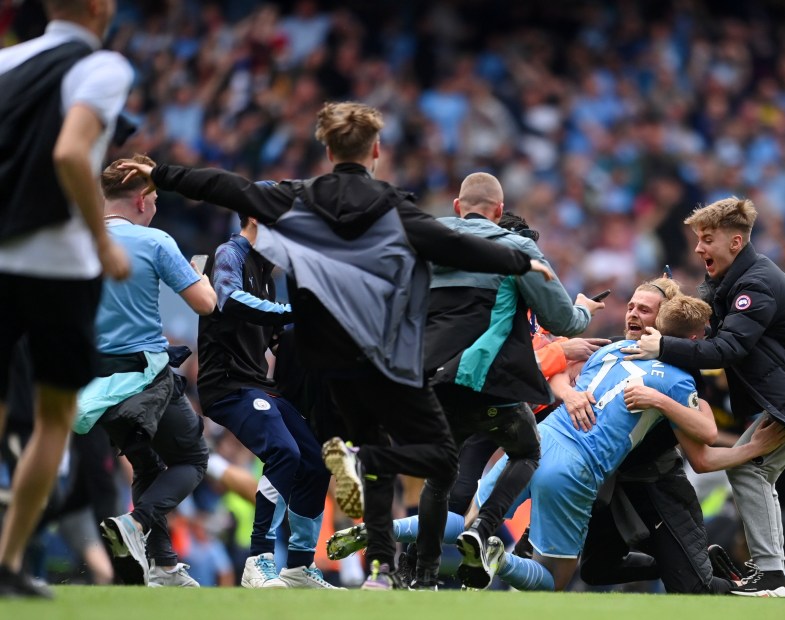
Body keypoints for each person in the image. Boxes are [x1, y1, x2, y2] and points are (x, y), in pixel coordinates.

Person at [116, 100, 554, 591]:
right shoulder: (389, 203)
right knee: (398, 453)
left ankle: (328, 504)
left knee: (320, 445)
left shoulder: (300, 196)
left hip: (307, 347)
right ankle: (381, 566)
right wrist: (518, 262)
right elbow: (445, 242)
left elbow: (228, 187)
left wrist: (164, 172)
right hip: (367, 345)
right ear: (377, 150)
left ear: (326, 147)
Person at [328, 295, 785, 592]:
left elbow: (557, 366)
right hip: (577, 469)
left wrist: (568, 390)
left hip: (536, 442)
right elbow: (705, 440)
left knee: (469, 519)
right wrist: (744, 444)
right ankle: (499, 560)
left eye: (642, 310)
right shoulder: (678, 378)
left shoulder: (609, 350)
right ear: (693, 340)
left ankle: (380, 531)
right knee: (554, 578)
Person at [628, 197, 785, 597]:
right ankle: (769, 573)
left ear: (735, 242)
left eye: (707, 239)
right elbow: (700, 327)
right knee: (750, 469)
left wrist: (662, 346)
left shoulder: (756, 284)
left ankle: (772, 575)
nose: (699, 248)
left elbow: (726, 349)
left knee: (752, 469)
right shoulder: (726, 283)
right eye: (698, 239)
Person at [0, 0, 132, 598]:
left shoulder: (8, 60)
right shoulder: (101, 65)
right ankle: (7, 562)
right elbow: (70, 151)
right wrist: (103, 241)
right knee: (54, 419)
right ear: (101, 8)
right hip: (58, 267)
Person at [416, 173, 602, 588]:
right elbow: (561, 321)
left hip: (432, 380)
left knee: (438, 479)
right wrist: (584, 310)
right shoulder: (516, 248)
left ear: (456, 205)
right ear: (499, 212)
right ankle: (482, 529)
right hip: (490, 382)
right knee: (527, 451)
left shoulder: (424, 241)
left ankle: (421, 576)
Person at [72, 154, 215, 587]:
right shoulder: (155, 242)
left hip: (94, 387)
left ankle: (165, 567)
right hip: (144, 379)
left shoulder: (80, 241)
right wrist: (200, 277)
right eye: (152, 200)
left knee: (149, 468)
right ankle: (136, 524)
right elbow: (204, 304)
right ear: (141, 201)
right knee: (193, 458)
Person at [574, 277, 743, 594]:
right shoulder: (614, 349)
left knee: (693, 589)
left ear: (664, 320)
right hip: (615, 485)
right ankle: (686, 564)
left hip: (657, 486)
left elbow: (704, 436)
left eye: (644, 310)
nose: (633, 315)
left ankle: (754, 597)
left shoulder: (680, 372)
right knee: (596, 570)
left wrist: (657, 400)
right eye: (630, 307)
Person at [197, 214, 337, 590]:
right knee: (284, 452)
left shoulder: (265, 273)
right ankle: (258, 560)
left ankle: (298, 568)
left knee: (316, 462)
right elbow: (229, 298)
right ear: (258, 221)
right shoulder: (231, 253)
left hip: (258, 386)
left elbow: (280, 336)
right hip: (227, 385)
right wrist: (296, 314)